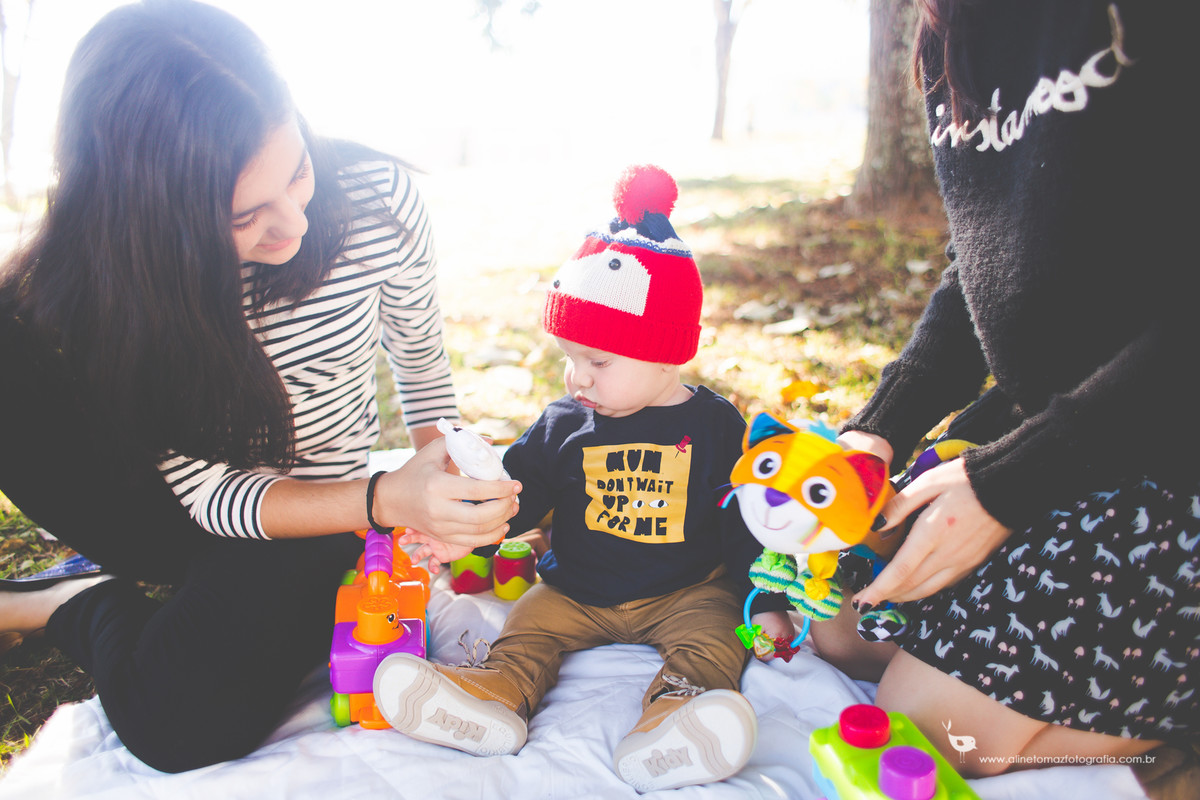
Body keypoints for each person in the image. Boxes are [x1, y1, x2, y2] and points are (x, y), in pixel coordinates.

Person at [0, 0, 518, 773]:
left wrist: (437, 484)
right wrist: (386, 499)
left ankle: (71, 602)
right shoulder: (135, 285)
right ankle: (93, 582)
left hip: (302, 513)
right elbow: (207, 496)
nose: (294, 226)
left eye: (298, 171)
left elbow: (422, 371)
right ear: (154, 221)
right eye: (247, 216)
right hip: (172, 495)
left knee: (177, 724)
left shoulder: (377, 203)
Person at [815, 0, 1199, 788]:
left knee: (926, 730)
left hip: (1165, 447)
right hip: (1051, 432)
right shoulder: (950, 27)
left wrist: (1006, 487)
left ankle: (1171, 737)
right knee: (840, 633)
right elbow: (978, 266)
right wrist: (879, 430)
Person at [373, 165, 795, 793]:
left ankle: (676, 720)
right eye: (569, 358)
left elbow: (742, 520)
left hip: (685, 590)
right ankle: (495, 697)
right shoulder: (564, 422)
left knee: (712, 639)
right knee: (524, 629)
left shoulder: (714, 425)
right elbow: (516, 497)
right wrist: (463, 533)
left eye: (598, 360)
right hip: (573, 593)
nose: (578, 378)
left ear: (668, 353)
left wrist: (767, 599)